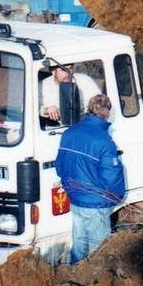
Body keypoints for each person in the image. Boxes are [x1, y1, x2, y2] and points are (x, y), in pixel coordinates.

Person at [54, 94, 125, 263]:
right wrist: (117, 197)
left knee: (79, 247)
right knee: (99, 254)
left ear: (89, 109)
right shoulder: (104, 141)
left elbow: (59, 166)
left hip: (76, 200)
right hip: (96, 204)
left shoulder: (69, 133)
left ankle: (75, 281)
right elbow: (111, 177)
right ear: (107, 113)